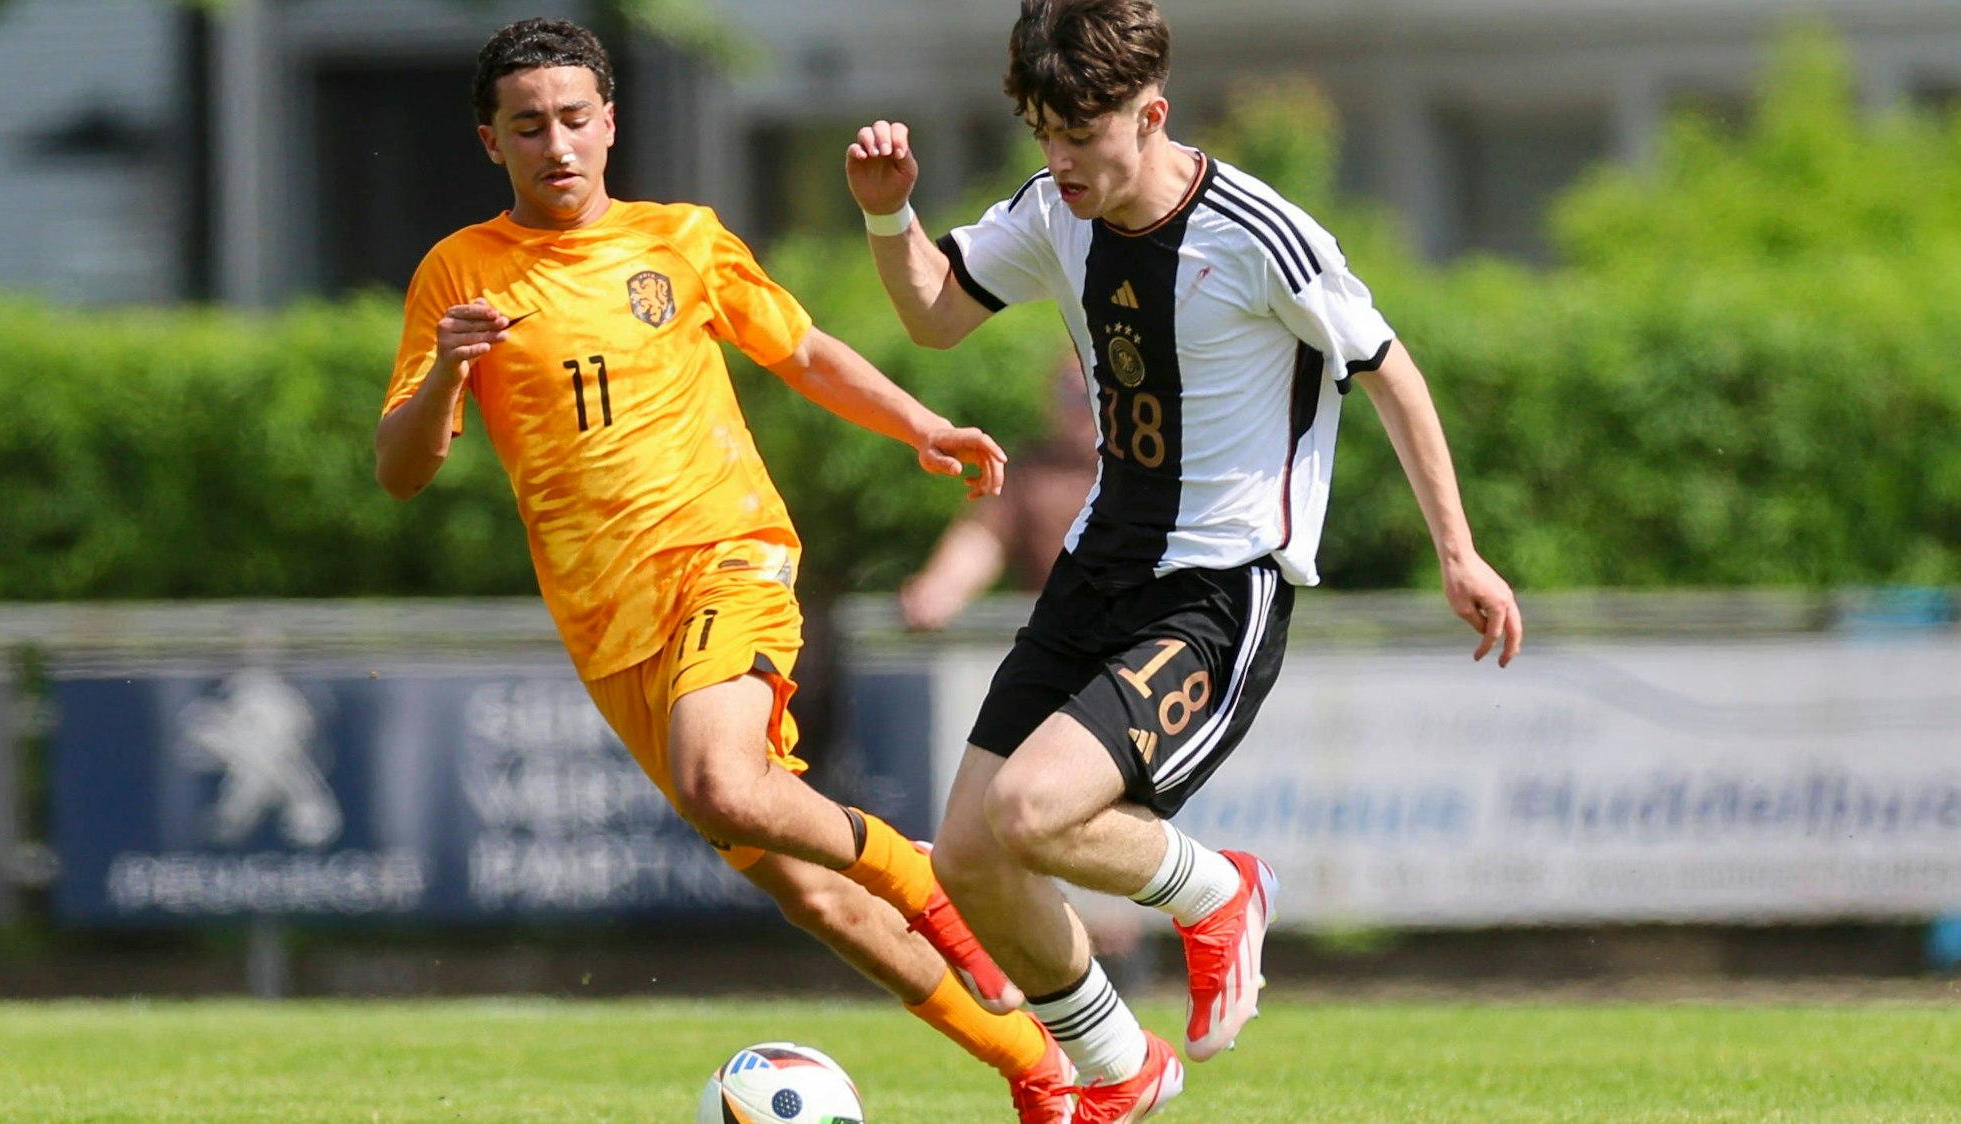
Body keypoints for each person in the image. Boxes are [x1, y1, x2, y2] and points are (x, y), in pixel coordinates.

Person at [375, 19, 1076, 1123]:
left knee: (721, 782)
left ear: (609, 124)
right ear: (490, 140)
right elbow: (402, 469)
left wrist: (920, 424)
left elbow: (797, 349)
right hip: (609, 629)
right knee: (808, 890)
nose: (554, 144)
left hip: (726, 555)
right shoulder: (457, 274)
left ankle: (919, 873)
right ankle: (1041, 1069)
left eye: (572, 119)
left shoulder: (682, 239)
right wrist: (445, 379)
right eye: (527, 126)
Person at [845, 1, 1524, 1119]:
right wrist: (888, 216)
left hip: (1216, 589)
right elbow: (931, 314)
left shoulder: (1262, 235)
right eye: (1043, 134)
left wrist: (1459, 552)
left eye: (1083, 134)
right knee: (967, 850)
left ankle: (1219, 887)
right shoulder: (1051, 211)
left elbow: (1391, 371)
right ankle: (1121, 1069)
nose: (1060, 160)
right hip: (1098, 564)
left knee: (1031, 810)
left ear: (1150, 113)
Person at [899, 355, 1098, 632]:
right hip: (1064, 642)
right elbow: (985, 537)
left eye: (1093, 391)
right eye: (1070, 390)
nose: (1081, 405)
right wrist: (941, 588)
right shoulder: (1032, 472)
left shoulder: (1157, 469)